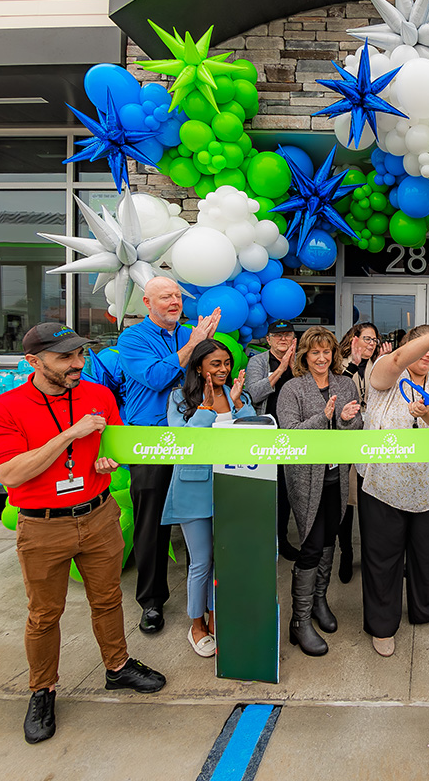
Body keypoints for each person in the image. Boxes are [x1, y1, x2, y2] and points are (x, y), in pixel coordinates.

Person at [0, 323, 166, 745]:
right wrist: (70, 434)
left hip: (99, 515)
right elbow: (10, 473)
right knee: (45, 614)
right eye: (65, 357)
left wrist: (108, 460)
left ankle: (117, 667)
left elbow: (113, 448)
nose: (77, 364)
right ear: (33, 361)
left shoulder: (99, 395)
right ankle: (42, 690)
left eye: (80, 354)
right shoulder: (1, 410)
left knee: (108, 599)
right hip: (43, 525)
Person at [117, 276, 222, 634]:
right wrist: (194, 344)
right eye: (165, 297)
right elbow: (155, 377)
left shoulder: (192, 334)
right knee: (151, 524)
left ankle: (203, 600)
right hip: (152, 441)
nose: (174, 301)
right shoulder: (132, 339)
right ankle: (151, 602)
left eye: (177, 295)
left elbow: (210, 374)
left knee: (199, 517)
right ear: (147, 303)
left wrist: (205, 347)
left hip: (194, 438)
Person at [360, 324, 429, 657]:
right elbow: (398, 359)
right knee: (383, 558)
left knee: (426, 553)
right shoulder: (385, 372)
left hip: (428, 484)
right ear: (409, 346)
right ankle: (382, 625)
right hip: (384, 484)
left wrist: (427, 412)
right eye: (425, 348)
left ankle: (427, 609)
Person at [163, 339, 254, 659]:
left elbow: (256, 433)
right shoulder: (178, 397)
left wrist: (238, 403)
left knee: (223, 559)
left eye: (227, 363)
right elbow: (184, 441)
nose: (223, 369)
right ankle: (196, 624)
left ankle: (216, 615)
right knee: (201, 561)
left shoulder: (236, 395)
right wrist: (205, 409)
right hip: (193, 488)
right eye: (216, 363)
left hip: (231, 488)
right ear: (199, 367)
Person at [277, 327, 363, 656]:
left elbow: (354, 428)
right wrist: (323, 417)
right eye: (315, 352)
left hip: (336, 477)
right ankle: (299, 621)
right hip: (305, 478)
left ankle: (319, 601)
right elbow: (290, 434)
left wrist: (346, 419)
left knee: (329, 540)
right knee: (311, 545)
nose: (322, 357)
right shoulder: (292, 388)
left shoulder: (345, 384)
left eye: (327, 351)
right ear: (305, 355)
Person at [245, 319, 300, 561]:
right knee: (266, 489)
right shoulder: (258, 361)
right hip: (266, 434)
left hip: (293, 435)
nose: (283, 339)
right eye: (277, 335)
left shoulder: (301, 362)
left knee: (286, 491)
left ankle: (282, 539)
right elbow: (253, 394)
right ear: (268, 340)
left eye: (287, 334)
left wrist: (294, 367)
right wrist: (280, 369)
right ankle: (264, 540)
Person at [336, 322, 383, 583]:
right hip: (347, 437)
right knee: (346, 500)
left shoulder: (378, 365)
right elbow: (336, 391)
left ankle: (371, 555)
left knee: (371, 500)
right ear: (353, 339)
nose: (371, 344)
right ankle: (346, 553)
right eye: (367, 338)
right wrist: (353, 364)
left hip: (371, 438)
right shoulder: (339, 363)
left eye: (374, 340)